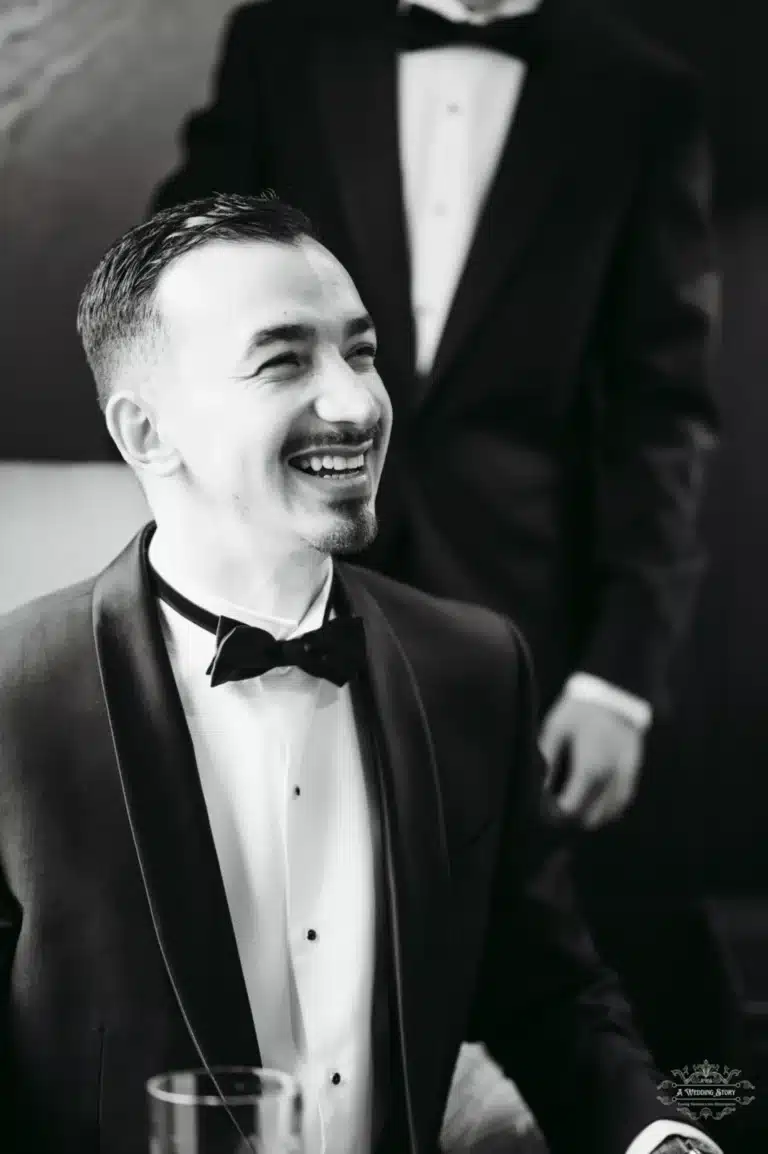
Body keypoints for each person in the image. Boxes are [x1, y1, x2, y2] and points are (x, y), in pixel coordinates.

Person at [0, 194, 720, 1154]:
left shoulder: (473, 665)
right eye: (284, 359)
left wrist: (657, 1137)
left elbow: (549, 990)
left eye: (363, 351)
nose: (355, 403)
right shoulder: (12, 702)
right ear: (146, 434)